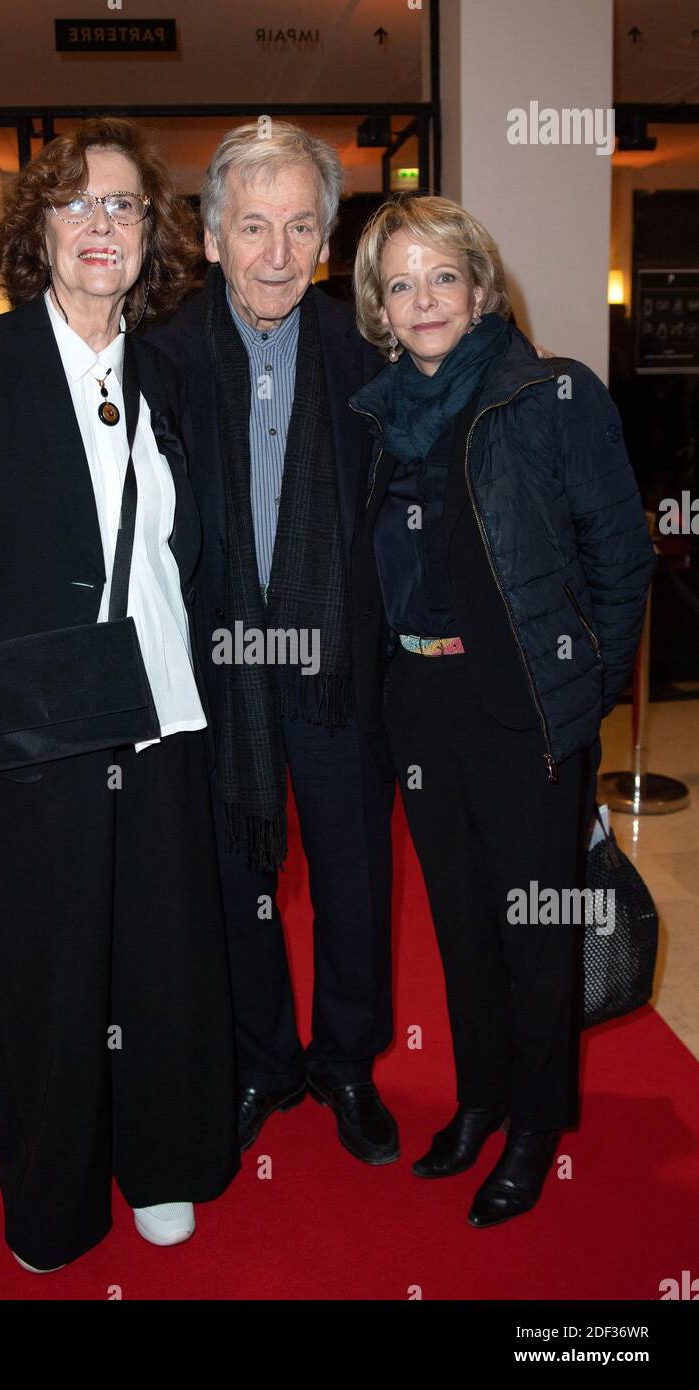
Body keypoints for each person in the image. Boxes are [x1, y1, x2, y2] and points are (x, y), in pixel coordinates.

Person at [0, 116, 240, 1270]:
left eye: (126, 207)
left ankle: (163, 1165)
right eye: (79, 203)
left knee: (163, 954)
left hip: (160, 717)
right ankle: (51, 1200)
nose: (103, 224)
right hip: (33, 728)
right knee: (44, 976)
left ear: (151, 236)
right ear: (38, 227)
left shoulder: (168, 372)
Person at [349, 194, 656, 1227]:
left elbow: (621, 556)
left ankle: (534, 1122)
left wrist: (582, 693)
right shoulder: (377, 415)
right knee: (461, 918)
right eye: (399, 283)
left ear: (480, 287)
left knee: (535, 927)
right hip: (418, 701)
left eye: (441, 275)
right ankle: (480, 1095)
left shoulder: (551, 394)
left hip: (523, 701)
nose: (422, 298)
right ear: (379, 310)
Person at [146, 122, 401, 1164]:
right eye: (252, 226)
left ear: (328, 241)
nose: (277, 253)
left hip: (338, 668)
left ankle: (345, 1062)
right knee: (234, 877)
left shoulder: (367, 352)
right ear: (210, 238)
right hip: (215, 676)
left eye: (301, 226)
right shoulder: (158, 361)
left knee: (352, 878)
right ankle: (262, 1058)